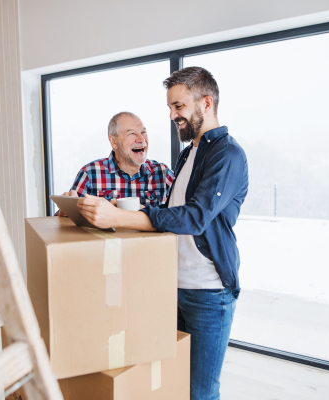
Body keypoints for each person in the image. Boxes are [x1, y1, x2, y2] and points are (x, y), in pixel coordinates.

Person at [77, 67, 249, 400]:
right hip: (172, 286)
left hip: (209, 293)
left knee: (199, 391)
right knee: (173, 382)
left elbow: (194, 218)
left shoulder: (227, 155)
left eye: (179, 107)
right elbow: (169, 214)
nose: (172, 115)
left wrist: (123, 217)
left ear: (206, 103)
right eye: (170, 108)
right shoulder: (188, 155)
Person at [57, 112, 174, 212]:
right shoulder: (90, 173)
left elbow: (183, 214)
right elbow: (67, 217)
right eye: (132, 133)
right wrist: (66, 212)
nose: (141, 139)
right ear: (113, 142)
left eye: (143, 132)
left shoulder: (163, 173)